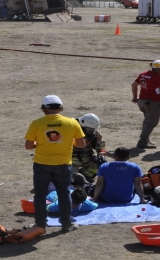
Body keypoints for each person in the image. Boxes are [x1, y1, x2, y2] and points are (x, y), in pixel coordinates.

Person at [24, 95, 87, 233]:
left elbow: (28, 146)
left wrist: (40, 143)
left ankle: (40, 225)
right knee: (64, 194)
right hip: (63, 164)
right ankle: (66, 223)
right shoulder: (72, 123)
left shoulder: (36, 123)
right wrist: (69, 141)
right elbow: (82, 144)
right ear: (61, 108)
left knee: (40, 195)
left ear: (43, 109)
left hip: (42, 164)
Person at [131, 60, 160, 149]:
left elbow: (134, 84)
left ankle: (145, 139)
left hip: (142, 101)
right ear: (159, 69)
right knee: (151, 123)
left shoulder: (143, 74)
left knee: (147, 121)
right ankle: (142, 141)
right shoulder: (158, 77)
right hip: (153, 102)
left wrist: (135, 97)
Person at [72, 113, 108, 183]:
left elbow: (100, 144)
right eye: (90, 130)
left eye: (93, 129)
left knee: (101, 163)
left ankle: (84, 176)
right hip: (71, 160)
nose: (92, 131)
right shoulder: (72, 130)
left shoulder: (95, 133)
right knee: (70, 180)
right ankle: (74, 176)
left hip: (87, 158)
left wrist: (101, 153)